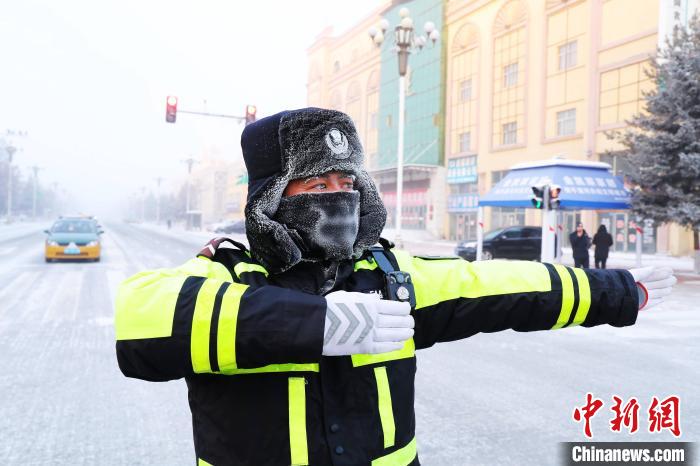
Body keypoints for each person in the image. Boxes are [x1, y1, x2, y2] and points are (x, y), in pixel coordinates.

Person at [114, 108, 676, 466]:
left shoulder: (389, 279)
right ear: (273, 196)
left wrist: (616, 288)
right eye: (316, 182)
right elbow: (142, 318)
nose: (338, 196)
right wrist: (315, 325)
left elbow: (504, 286)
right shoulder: (228, 275)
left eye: (347, 181)